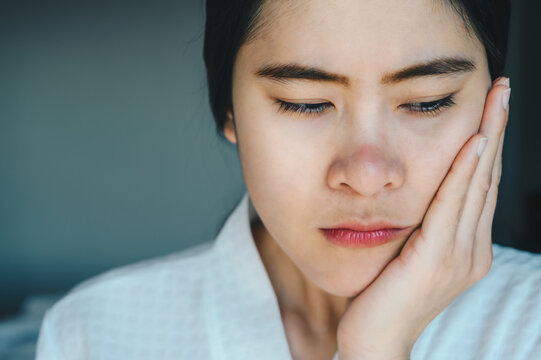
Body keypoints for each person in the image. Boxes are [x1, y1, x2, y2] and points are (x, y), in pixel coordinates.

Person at [36, 0, 541, 359]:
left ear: (493, 106)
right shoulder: (96, 334)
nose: (365, 176)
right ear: (229, 109)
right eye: (305, 103)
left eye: (427, 101)